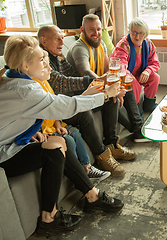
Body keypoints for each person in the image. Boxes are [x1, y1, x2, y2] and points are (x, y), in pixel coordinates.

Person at [0, 35, 124, 235]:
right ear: (24, 65)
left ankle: (91, 195)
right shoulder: (25, 91)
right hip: (3, 155)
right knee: (55, 149)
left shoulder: (12, 79)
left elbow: (10, 120)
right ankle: (49, 217)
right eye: (41, 60)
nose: (47, 64)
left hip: (8, 143)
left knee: (59, 141)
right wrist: (105, 95)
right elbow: (63, 107)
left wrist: (28, 134)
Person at [38, 25, 138, 177]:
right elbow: (61, 82)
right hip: (56, 108)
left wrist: (103, 86)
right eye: (57, 38)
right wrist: (97, 80)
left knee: (110, 98)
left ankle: (111, 144)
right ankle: (102, 155)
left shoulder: (58, 56)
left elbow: (72, 74)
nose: (61, 41)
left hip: (68, 99)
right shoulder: (41, 60)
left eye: (62, 37)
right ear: (43, 41)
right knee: (84, 113)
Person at [67, 14, 151, 143]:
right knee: (113, 97)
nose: (96, 33)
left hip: (97, 85)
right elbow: (85, 72)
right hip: (83, 91)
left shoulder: (101, 44)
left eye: (99, 29)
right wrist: (108, 87)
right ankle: (137, 129)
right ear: (82, 30)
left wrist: (116, 85)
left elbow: (109, 70)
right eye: (91, 29)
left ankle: (137, 129)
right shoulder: (79, 48)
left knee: (124, 85)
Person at [33, 54, 111, 182]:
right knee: (69, 139)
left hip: (55, 122)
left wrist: (58, 125)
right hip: (44, 129)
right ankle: (77, 174)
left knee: (75, 132)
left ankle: (87, 167)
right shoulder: (35, 88)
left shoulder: (45, 82)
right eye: (45, 66)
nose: (50, 69)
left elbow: (55, 109)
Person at [110, 17, 160, 114]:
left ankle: (149, 105)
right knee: (133, 82)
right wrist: (131, 77)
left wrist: (147, 71)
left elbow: (155, 63)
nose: (137, 36)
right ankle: (136, 109)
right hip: (121, 76)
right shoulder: (123, 45)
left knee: (155, 78)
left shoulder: (149, 44)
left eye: (141, 33)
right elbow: (121, 67)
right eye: (134, 32)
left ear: (145, 35)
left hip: (139, 72)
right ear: (129, 31)